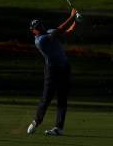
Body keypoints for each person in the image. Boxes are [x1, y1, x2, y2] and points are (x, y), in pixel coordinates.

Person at [27, 8, 78, 136]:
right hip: (52, 70)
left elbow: (68, 31)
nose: (40, 27)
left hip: (64, 67)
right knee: (47, 98)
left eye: (40, 25)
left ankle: (59, 128)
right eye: (37, 27)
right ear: (33, 31)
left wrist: (76, 20)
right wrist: (72, 16)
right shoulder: (40, 40)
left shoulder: (49, 32)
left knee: (62, 98)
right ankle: (37, 121)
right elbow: (59, 30)